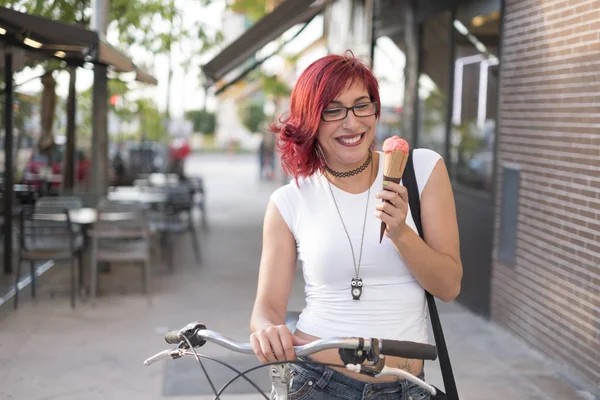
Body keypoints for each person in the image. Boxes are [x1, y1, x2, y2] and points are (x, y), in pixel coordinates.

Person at [249, 51, 463, 400]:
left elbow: (449, 286)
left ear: (376, 110)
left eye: (362, 105)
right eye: (333, 110)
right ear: (310, 121)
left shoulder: (421, 171)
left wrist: (400, 232)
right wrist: (266, 331)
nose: (351, 123)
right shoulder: (289, 202)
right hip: (317, 383)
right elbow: (267, 309)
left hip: (407, 388)